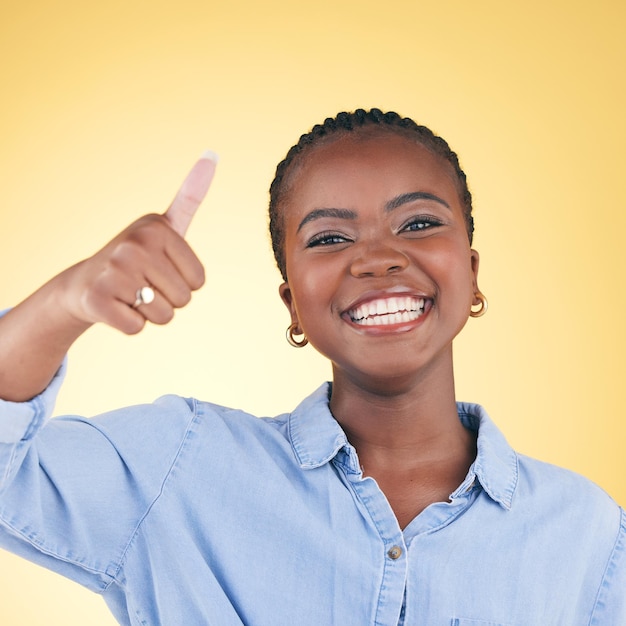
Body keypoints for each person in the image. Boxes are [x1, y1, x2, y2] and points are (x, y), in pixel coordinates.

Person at [0, 109, 623, 625]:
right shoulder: (179, 466)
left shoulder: (589, 536)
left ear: (472, 272)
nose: (379, 259)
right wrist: (63, 301)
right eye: (329, 238)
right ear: (292, 303)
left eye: (420, 223)